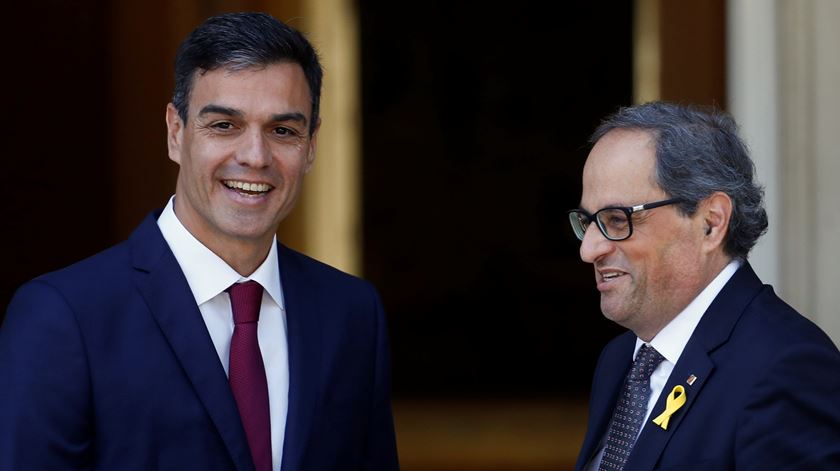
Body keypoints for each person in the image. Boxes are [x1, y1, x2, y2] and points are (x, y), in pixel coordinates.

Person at [0, 12, 399, 471]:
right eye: (224, 125)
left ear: (310, 146)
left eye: (283, 131)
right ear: (176, 131)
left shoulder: (351, 314)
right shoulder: (63, 316)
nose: (254, 157)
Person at [568, 102, 840, 470]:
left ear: (710, 223)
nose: (589, 250)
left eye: (617, 220)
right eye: (588, 222)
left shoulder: (786, 367)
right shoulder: (620, 360)